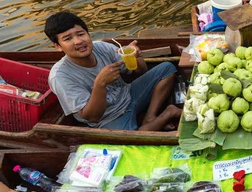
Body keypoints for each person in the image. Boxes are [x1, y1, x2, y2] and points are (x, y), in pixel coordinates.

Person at [45, 12, 182, 131]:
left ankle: (150, 116)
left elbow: (139, 72)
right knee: (127, 140)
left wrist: (136, 57)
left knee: (167, 68)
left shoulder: (102, 47)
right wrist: (100, 84)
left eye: (81, 34)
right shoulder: (60, 76)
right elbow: (92, 117)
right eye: (68, 39)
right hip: (107, 117)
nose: (78, 41)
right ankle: (168, 114)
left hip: (128, 94)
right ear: (58, 46)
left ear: (88, 34)